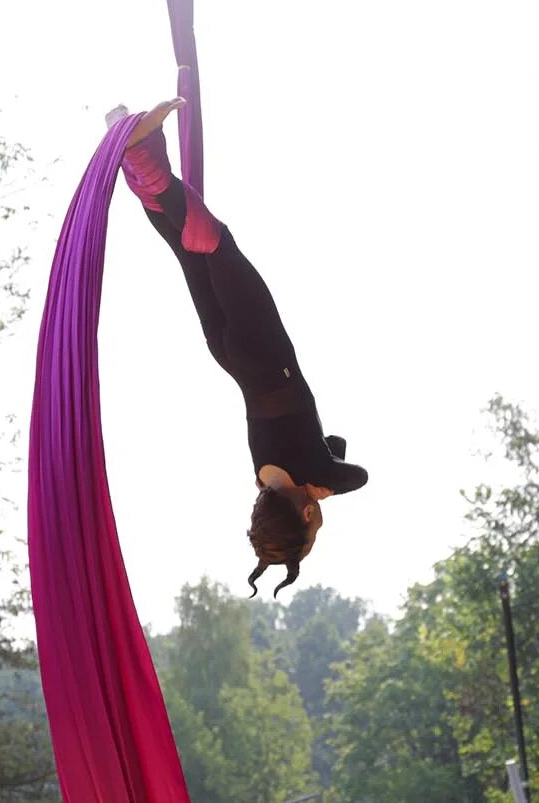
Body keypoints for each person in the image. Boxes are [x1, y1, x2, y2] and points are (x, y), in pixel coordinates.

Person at [109, 98, 367, 598]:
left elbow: (354, 472)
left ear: (309, 515)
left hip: (264, 352)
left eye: (313, 532)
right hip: (228, 354)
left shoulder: (314, 475)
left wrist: (322, 487)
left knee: (212, 240)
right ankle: (137, 161)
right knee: (189, 248)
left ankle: (141, 153)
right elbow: (332, 446)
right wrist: (317, 482)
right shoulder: (264, 476)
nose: (318, 528)